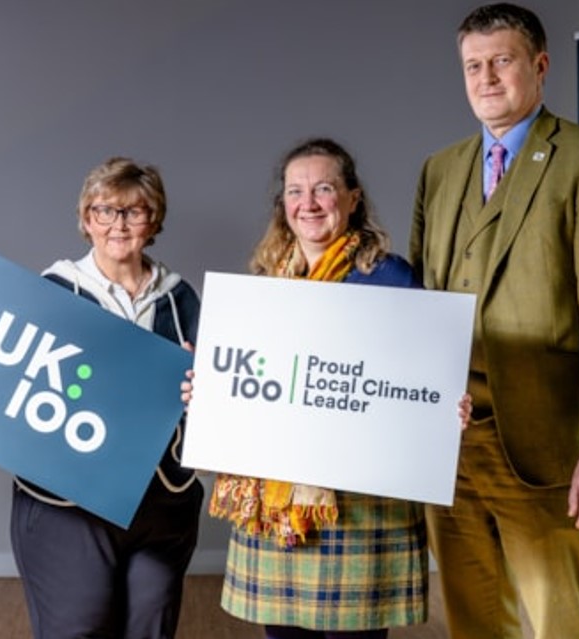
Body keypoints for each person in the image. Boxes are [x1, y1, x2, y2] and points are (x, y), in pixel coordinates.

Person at [409, 4, 579, 638]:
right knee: (474, 625)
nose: (486, 78)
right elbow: (423, 309)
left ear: (538, 66)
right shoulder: (440, 169)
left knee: (562, 626)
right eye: (473, 65)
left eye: (501, 61)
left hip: (547, 445)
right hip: (450, 444)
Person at [188, 137, 469, 639]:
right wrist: (209, 393)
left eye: (323, 188)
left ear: (353, 198)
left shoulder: (389, 278)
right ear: (284, 205)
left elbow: (425, 379)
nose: (309, 203)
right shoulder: (263, 284)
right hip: (278, 499)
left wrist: (445, 405)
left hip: (360, 504)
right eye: (296, 191)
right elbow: (246, 380)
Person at [10, 157, 205, 639]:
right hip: (69, 504)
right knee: (79, 629)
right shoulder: (52, 290)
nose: (119, 225)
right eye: (105, 211)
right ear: (85, 219)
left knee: (150, 630)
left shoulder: (180, 298)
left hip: (161, 499)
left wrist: (201, 386)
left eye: (134, 212)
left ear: (153, 220)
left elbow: (210, 399)